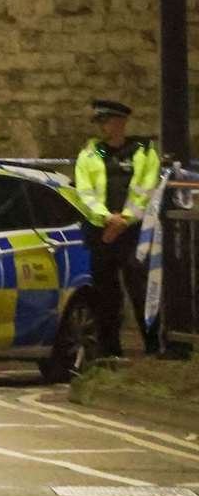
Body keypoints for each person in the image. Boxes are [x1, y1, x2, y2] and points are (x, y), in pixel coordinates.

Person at [74, 98, 162, 357]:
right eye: (99, 122)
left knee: (141, 291)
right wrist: (106, 218)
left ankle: (153, 346)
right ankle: (110, 350)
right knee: (105, 294)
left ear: (121, 121)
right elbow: (85, 191)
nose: (102, 127)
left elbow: (146, 191)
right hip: (101, 232)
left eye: (106, 121)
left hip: (133, 233)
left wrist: (124, 220)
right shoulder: (96, 152)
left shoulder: (141, 151)